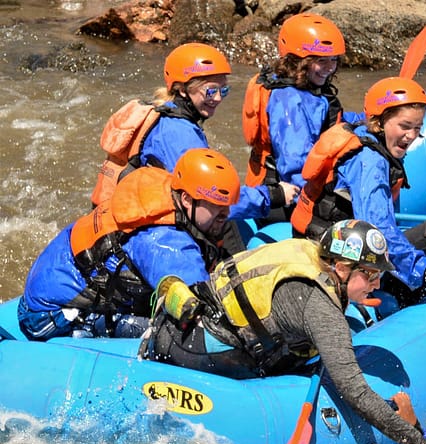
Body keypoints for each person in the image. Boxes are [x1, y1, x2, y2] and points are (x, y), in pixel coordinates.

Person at [140, 219, 426, 444]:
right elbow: (355, 392)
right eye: (371, 275)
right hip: (195, 350)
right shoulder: (320, 308)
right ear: (340, 268)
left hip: (184, 326)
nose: (376, 285)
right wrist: (417, 439)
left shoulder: (310, 255)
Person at [18, 148, 242, 341]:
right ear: (186, 199)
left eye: (227, 206)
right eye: (216, 206)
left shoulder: (159, 187)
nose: (226, 214)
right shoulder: (168, 245)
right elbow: (208, 315)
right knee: (169, 334)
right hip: (48, 316)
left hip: (48, 282)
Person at [291, 76, 426, 310]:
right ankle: (413, 304)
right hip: (338, 257)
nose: (412, 135)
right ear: (379, 122)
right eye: (405, 126)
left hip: (323, 241)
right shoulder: (371, 161)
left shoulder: (361, 132)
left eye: (417, 127)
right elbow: (379, 231)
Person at [90, 42, 295, 220]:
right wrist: (273, 195)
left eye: (223, 90)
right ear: (182, 89)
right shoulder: (178, 134)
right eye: (210, 90)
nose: (218, 98)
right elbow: (212, 199)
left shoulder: (167, 113)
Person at [241, 12, 363, 221]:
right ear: (297, 60)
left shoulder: (309, 88)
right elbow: (295, 166)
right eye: (321, 61)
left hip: (301, 185)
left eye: (333, 60)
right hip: (286, 198)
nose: (330, 68)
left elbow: (328, 122)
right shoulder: (287, 102)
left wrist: (364, 120)